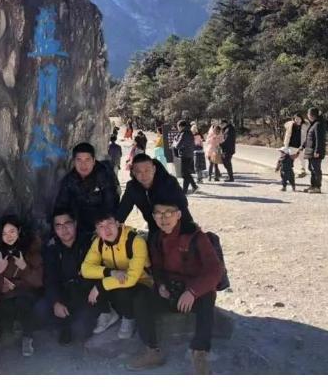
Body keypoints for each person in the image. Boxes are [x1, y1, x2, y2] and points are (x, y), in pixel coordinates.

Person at [128, 199, 223, 374]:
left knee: (207, 297)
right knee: (141, 296)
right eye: (158, 214)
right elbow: (157, 267)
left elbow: (215, 270)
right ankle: (152, 350)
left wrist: (192, 292)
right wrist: (161, 285)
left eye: (168, 213)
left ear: (178, 215)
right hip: (170, 290)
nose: (163, 218)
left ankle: (199, 352)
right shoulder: (157, 238)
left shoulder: (196, 237)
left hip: (193, 292)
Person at [81, 209, 153, 339]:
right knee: (86, 280)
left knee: (122, 287)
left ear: (118, 224)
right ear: (97, 231)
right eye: (101, 226)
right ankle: (107, 312)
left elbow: (131, 278)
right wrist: (110, 272)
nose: (106, 230)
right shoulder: (99, 242)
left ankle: (129, 317)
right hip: (116, 278)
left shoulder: (135, 241)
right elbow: (85, 269)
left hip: (140, 283)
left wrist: (101, 286)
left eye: (109, 223)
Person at [35, 209, 98, 345]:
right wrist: (56, 302)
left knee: (80, 330)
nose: (63, 229)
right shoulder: (51, 248)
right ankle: (64, 325)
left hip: (85, 294)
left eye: (67, 224)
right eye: (58, 226)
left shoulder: (88, 243)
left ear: (75, 223)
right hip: (63, 293)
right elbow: (50, 279)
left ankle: (71, 324)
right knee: (40, 309)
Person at [0, 214, 43, 357]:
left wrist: (24, 267)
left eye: (12, 231)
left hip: (27, 294)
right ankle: (11, 329)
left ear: (19, 231)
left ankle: (27, 337)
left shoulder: (30, 249)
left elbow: (39, 281)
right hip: (7, 296)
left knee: (23, 303)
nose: (9, 236)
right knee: (6, 334)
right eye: (4, 233)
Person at [54, 142, 120, 236]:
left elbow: (111, 205)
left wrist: (102, 227)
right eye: (79, 160)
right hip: (80, 227)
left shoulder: (104, 176)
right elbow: (61, 206)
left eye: (87, 160)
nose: (83, 165)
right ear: (74, 162)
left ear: (93, 161)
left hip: (102, 226)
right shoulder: (69, 180)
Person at [117, 153, 193, 232]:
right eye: (139, 172)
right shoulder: (132, 188)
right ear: (133, 172)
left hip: (177, 227)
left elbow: (183, 205)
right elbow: (122, 211)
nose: (144, 175)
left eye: (147, 170)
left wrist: (189, 228)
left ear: (154, 169)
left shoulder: (168, 182)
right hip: (154, 229)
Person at [301, 108, 326, 193]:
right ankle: (313, 185)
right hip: (310, 151)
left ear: (312, 115)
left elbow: (319, 139)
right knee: (311, 169)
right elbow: (309, 138)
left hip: (315, 152)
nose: (307, 116)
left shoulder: (318, 124)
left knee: (316, 169)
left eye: (308, 114)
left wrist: (317, 151)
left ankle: (317, 187)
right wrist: (302, 146)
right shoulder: (313, 124)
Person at [172, 120, 198, 194]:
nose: (177, 128)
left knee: (184, 173)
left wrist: (174, 142)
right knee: (186, 173)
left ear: (180, 126)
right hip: (189, 154)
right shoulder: (188, 132)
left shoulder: (184, 133)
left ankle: (186, 190)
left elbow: (177, 145)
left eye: (177, 126)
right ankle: (193, 187)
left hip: (185, 155)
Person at [283, 113, 309, 178]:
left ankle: (303, 171)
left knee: (302, 159)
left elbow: (307, 136)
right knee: (290, 159)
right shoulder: (291, 125)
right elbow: (287, 135)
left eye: (299, 119)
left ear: (301, 119)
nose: (297, 120)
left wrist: (304, 145)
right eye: (296, 119)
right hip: (291, 145)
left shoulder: (305, 126)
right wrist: (286, 144)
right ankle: (289, 171)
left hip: (301, 146)